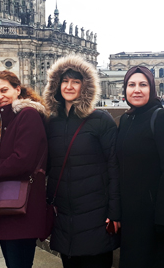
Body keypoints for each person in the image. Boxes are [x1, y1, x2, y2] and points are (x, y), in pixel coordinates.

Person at [42, 56, 120, 268]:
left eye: (75, 82)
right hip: (64, 214)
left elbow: (114, 167)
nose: (69, 86)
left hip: (95, 213)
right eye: (64, 81)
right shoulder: (51, 122)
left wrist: (114, 212)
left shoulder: (101, 120)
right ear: (56, 85)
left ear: (85, 86)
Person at [116, 66, 164, 268]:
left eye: (143, 85)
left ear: (152, 88)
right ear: (125, 90)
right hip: (130, 219)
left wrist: (163, 219)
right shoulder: (126, 119)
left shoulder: (163, 118)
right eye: (131, 85)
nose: (137, 90)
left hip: (155, 220)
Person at [0, 70, 48, 268]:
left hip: (24, 204)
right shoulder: (0, 121)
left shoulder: (28, 114)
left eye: (4, 90)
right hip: (6, 203)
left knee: (18, 263)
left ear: (17, 90)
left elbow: (23, 161)